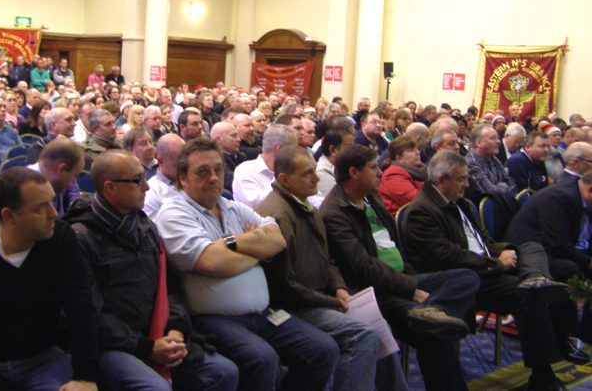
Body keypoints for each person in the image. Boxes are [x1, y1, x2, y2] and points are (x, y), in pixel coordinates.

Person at [155, 137, 339, 391]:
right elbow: (210, 261)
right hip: (213, 318)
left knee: (323, 350)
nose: (213, 178)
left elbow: (277, 239)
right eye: (203, 172)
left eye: (218, 170)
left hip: (263, 313)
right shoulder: (174, 213)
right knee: (262, 359)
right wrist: (257, 250)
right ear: (183, 178)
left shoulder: (230, 206)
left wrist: (229, 242)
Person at [403, 151, 585, 391]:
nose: (467, 185)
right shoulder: (422, 211)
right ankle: (543, 375)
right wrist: (497, 263)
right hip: (463, 278)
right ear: (442, 180)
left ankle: (535, 278)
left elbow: (484, 240)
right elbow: (447, 256)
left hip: (483, 266)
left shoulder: (459, 204)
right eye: (461, 179)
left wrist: (505, 250)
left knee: (531, 248)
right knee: (528, 296)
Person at [65, 150, 238, 391]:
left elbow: (171, 288)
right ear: (110, 188)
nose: (147, 186)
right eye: (137, 180)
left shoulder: (145, 227)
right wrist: (147, 347)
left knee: (223, 372)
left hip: (159, 333)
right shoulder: (80, 238)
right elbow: (88, 315)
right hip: (111, 345)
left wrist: (177, 331)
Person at [321, 145, 478, 390]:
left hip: (403, 277)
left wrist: (411, 279)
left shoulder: (370, 198)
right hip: (373, 291)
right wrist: (409, 287)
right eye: (373, 168)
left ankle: (429, 314)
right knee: (434, 336)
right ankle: (430, 317)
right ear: (354, 172)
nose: (380, 173)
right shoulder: (334, 212)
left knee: (466, 278)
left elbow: (396, 244)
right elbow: (363, 266)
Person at [256, 145, 403, 391]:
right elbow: (284, 286)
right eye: (307, 174)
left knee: (378, 326)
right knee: (363, 334)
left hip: (318, 297)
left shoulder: (306, 206)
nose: (316, 178)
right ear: (284, 180)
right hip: (292, 306)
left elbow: (328, 258)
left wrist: (339, 287)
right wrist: (329, 300)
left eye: (315, 171)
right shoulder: (276, 215)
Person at [0, 167, 100, 391]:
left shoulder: (61, 239)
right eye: (40, 208)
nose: (54, 213)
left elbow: (81, 308)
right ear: (9, 216)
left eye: (52, 202)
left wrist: (85, 375)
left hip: (41, 360)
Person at [232, 124, 297, 208]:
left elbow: (314, 199)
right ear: (280, 150)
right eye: (294, 149)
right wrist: (281, 177)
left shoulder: (295, 169)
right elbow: (256, 206)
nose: (297, 153)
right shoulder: (245, 171)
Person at [30, 138, 83, 218]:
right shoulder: (27, 191)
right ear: (61, 169)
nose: (73, 181)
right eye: (74, 175)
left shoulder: (56, 181)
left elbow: (74, 191)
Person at [378, 135, 427, 215]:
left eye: (417, 149)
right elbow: (416, 200)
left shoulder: (418, 171)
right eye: (411, 150)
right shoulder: (393, 174)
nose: (418, 152)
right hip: (409, 222)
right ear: (399, 158)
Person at [315, 129, 354, 198]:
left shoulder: (344, 167)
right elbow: (340, 203)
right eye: (350, 147)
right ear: (333, 150)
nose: (354, 151)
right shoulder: (321, 173)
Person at [210, 122, 244, 193]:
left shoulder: (241, 156)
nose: (239, 139)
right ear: (218, 139)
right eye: (234, 136)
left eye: (238, 135)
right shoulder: (214, 161)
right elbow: (233, 182)